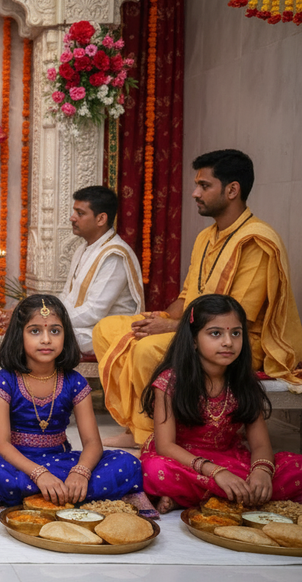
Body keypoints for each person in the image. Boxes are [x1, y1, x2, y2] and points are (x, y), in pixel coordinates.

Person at [94, 149, 302, 448]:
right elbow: (187, 295)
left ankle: (152, 435)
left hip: (238, 340)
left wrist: (170, 328)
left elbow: (237, 318)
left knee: (146, 351)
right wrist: (161, 318)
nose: (194, 193)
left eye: (205, 185)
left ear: (232, 190)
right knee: (109, 328)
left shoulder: (256, 241)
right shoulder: (207, 237)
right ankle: (137, 424)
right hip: (195, 326)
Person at [0, 295, 142, 516]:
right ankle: (63, 493)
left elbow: (92, 443)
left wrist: (81, 472)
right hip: (16, 463)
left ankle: (44, 492)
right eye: (35, 331)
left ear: (65, 336)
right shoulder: (5, 380)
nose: (46, 339)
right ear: (19, 336)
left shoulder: (74, 381)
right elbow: (1, 445)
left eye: (55, 331)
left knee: (126, 462)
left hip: (61, 462)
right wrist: (39, 474)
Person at [140, 295, 302, 513]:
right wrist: (216, 472)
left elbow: (261, 445)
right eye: (215, 333)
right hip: (184, 461)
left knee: (294, 468)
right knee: (153, 469)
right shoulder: (171, 382)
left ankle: (202, 497)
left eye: (236, 333)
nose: (228, 342)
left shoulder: (243, 382)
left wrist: (261, 472)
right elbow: (166, 446)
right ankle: (234, 495)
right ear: (194, 340)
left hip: (231, 459)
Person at [59, 186, 143, 352]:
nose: (72, 218)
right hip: (85, 327)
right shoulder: (82, 248)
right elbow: (66, 296)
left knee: (47, 335)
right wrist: (44, 313)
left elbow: (94, 312)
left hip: (107, 333)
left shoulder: (114, 255)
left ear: (101, 219)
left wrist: (49, 320)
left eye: (80, 213)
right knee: (41, 333)